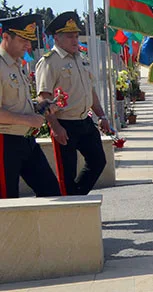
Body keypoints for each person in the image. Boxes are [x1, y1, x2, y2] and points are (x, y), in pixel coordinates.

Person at [35, 11, 108, 195]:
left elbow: (90, 91)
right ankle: (70, 210)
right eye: (70, 37)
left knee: (98, 161)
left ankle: (77, 198)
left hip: (85, 121)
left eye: (76, 36)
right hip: (64, 124)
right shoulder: (50, 62)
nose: (75, 40)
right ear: (57, 39)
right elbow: (44, 98)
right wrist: (55, 126)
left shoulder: (80, 59)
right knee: (66, 174)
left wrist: (102, 115)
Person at [0, 14, 60, 198]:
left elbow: (15, 103)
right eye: (23, 40)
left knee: (51, 191)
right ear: (6, 37)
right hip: (5, 142)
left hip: (25, 140)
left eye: (30, 40)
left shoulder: (17, 65)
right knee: (7, 201)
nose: (28, 46)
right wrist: (28, 119)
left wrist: (40, 106)